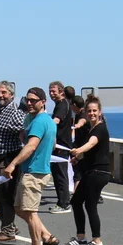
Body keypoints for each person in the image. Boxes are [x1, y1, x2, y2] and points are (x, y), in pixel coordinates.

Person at [2, 87, 59, 245]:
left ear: (43, 102)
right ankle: (48, 237)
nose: (29, 103)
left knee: (30, 212)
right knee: (19, 208)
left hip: (35, 172)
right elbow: (53, 144)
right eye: (27, 100)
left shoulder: (39, 122)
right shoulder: (47, 121)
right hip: (35, 170)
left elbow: (31, 146)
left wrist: (12, 164)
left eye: (33, 100)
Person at [0, 80, 26, 242]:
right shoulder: (0, 112)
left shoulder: (15, 112)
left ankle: (8, 230)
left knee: (5, 196)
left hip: (6, 160)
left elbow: (25, 132)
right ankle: (9, 226)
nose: (0, 95)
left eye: (4, 92)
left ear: (12, 95)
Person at [67, 95, 110, 245]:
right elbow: (90, 151)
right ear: (85, 112)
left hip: (99, 172)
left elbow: (91, 144)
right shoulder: (91, 129)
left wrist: (78, 150)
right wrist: (77, 158)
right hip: (90, 172)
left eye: (94, 111)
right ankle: (81, 237)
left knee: (90, 205)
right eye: (89, 111)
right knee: (76, 202)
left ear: (100, 112)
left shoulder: (100, 128)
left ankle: (97, 241)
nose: (92, 113)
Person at [47, 81, 73, 213]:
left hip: (61, 145)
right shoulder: (61, 104)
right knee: (57, 174)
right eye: (50, 91)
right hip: (59, 145)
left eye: (54, 91)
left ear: (61, 92)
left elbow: (55, 121)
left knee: (60, 174)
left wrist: (44, 128)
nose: (51, 94)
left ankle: (64, 203)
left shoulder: (62, 105)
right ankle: (62, 202)